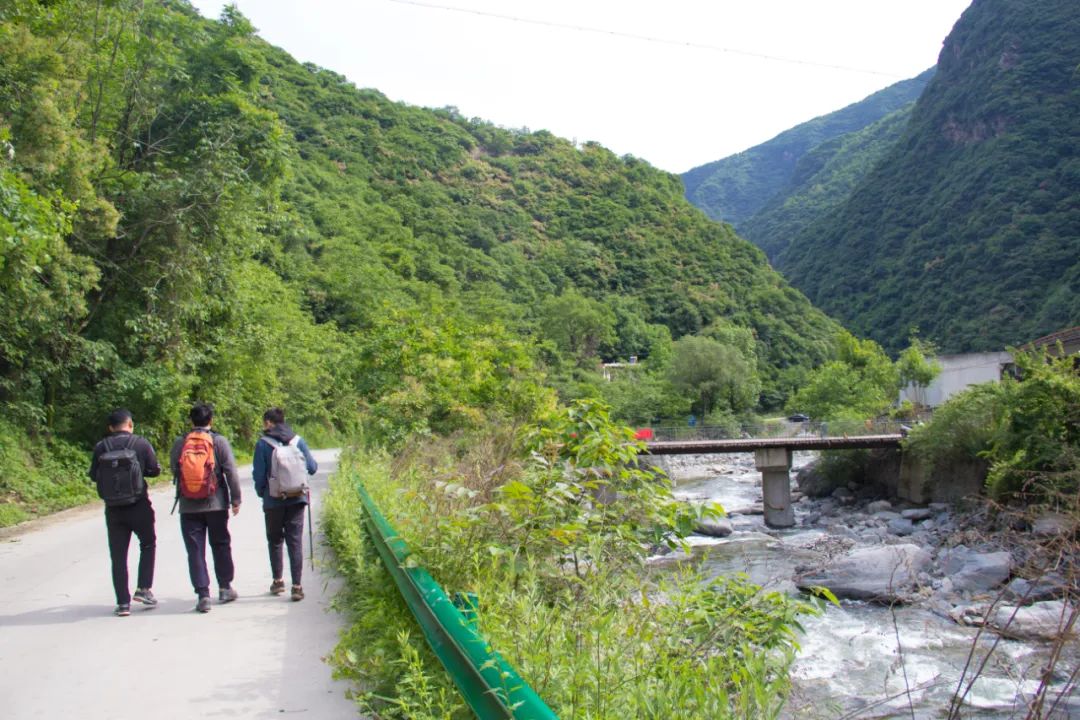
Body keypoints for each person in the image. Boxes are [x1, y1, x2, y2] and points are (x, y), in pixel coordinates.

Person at [89, 409, 163, 617]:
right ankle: (143, 589)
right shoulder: (141, 443)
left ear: (110, 427)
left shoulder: (101, 447)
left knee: (118, 555)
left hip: (113, 510)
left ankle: (123, 603)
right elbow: (155, 470)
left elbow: (95, 475)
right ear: (130, 424)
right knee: (148, 544)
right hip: (139, 505)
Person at [170, 403, 242, 613]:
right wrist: (236, 499)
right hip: (216, 504)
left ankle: (203, 595)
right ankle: (225, 587)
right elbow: (231, 472)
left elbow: (175, 469)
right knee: (220, 544)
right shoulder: (218, 441)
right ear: (211, 420)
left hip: (188, 506)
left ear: (191, 420)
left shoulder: (180, 442)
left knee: (195, 550)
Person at [253, 407, 317, 602]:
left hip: (273, 500)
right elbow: (312, 468)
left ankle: (278, 581)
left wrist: (263, 493)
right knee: (295, 541)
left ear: (268, 423)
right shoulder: (298, 441)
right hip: (297, 498)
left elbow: (259, 475)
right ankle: (297, 586)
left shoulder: (263, 444)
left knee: (275, 540)